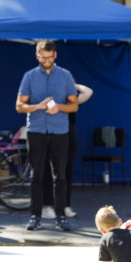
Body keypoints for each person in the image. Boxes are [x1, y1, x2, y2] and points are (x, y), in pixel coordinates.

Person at [16, 40, 78, 232]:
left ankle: (61, 217)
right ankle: (36, 216)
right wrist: (38, 106)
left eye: (49, 57)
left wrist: (59, 107)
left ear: (55, 55)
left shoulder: (66, 75)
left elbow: (74, 105)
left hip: (60, 131)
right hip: (36, 131)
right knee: (37, 176)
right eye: (43, 57)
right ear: (37, 56)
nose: (46, 60)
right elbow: (19, 106)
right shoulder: (30, 76)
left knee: (60, 175)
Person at [42, 84, 94, 219]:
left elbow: (88, 92)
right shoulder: (49, 97)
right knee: (49, 170)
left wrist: (74, 85)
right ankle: (47, 206)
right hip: (50, 132)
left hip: (68, 133)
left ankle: (64, 205)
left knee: (66, 171)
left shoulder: (72, 98)